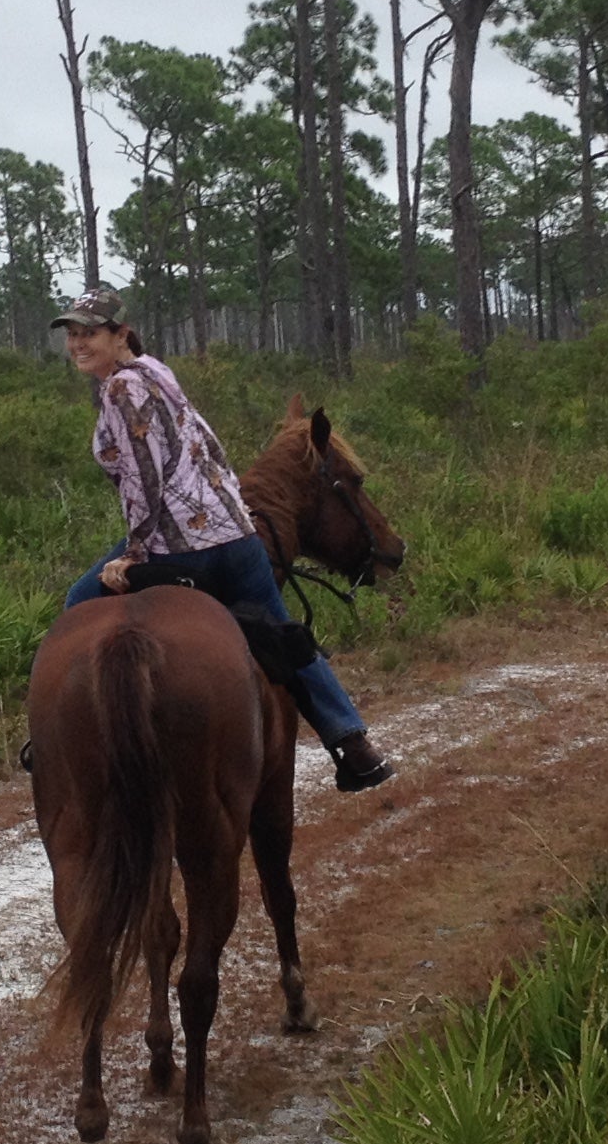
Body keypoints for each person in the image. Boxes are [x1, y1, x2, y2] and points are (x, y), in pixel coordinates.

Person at [46, 289, 395, 792]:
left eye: (90, 333)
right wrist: (232, 512)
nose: (78, 343)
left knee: (79, 602)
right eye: (73, 334)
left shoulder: (121, 389)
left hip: (179, 547)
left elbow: (144, 479)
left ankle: (57, 745)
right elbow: (208, 448)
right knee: (281, 630)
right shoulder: (157, 371)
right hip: (237, 538)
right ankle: (352, 743)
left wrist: (135, 553)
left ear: (121, 335)